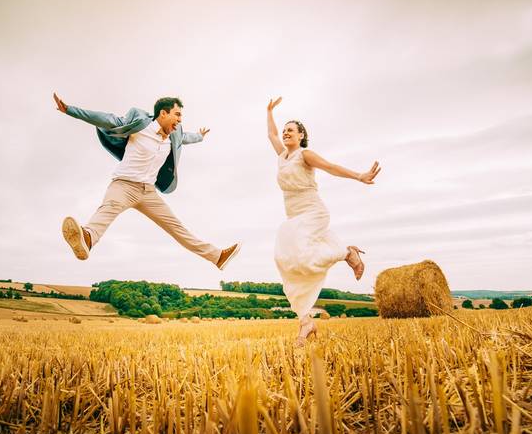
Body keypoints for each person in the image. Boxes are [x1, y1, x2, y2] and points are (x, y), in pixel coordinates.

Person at [53, 92, 241, 270]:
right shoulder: (140, 123)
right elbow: (106, 119)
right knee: (107, 208)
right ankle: (86, 239)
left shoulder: (174, 135)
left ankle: (217, 257)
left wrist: (200, 136)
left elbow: (186, 138)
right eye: (177, 114)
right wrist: (70, 110)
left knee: (177, 228)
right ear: (163, 113)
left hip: (148, 192)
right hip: (124, 185)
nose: (180, 119)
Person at [266, 97, 380, 345]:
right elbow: (271, 134)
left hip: (312, 211)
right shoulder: (282, 156)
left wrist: (359, 176)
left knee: (303, 257)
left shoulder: (304, 155)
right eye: (285, 130)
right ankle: (305, 321)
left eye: (291, 130)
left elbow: (331, 167)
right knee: (285, 260)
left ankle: (347, 253)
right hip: (293, 216)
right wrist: (269, 111)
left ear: (301, 136)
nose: (285, 133)